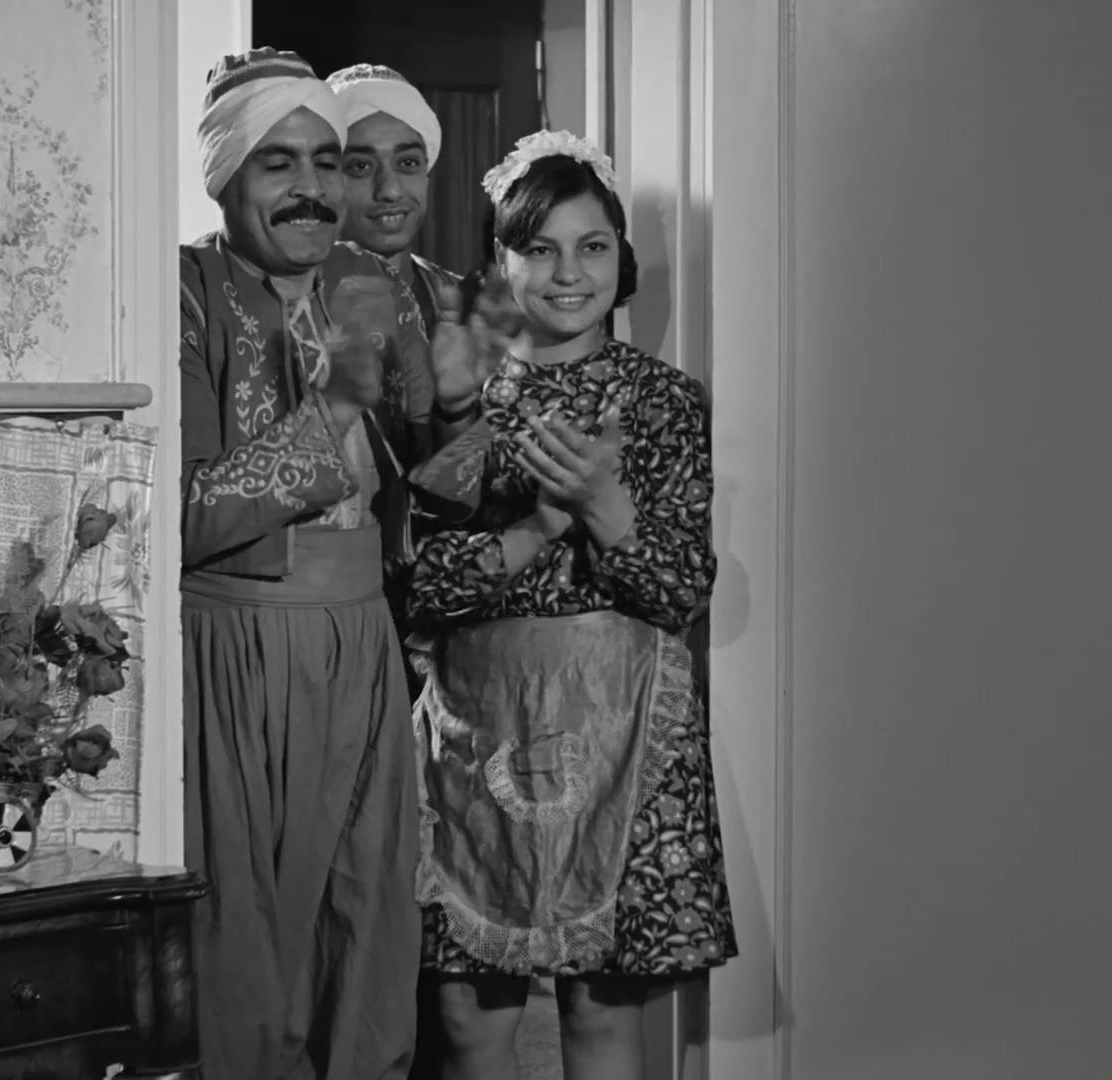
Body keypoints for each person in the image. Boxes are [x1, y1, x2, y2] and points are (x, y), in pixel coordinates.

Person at [177, 46, 486, 1080]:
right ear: (225, 176)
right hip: (240, 642)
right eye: (278, 164)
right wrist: (337, 409)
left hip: (365, 640)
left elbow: (449, 490)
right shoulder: (184, 293)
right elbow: (185, 516)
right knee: (246, 934)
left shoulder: (372, 287)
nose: (312, 188)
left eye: (324, 160)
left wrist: (459, 407)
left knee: (368, 916)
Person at [402, 130, 738, 1080]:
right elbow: (420, 583)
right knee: (468, 1018)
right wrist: (541, 525)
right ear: (500, 262)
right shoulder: (461, 403)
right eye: (539, 248)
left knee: (600, 1010)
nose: (567, 273)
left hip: (625, 729)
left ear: (620, 259)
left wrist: (606, 506)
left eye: (591, 247)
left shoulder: (664, 402)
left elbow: (681, 589)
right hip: (479, 729)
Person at [327, 63, 460, 338]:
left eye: (408, 163)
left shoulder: (465, 307)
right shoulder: (281, 310)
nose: (389, 190)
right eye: (361, 166)